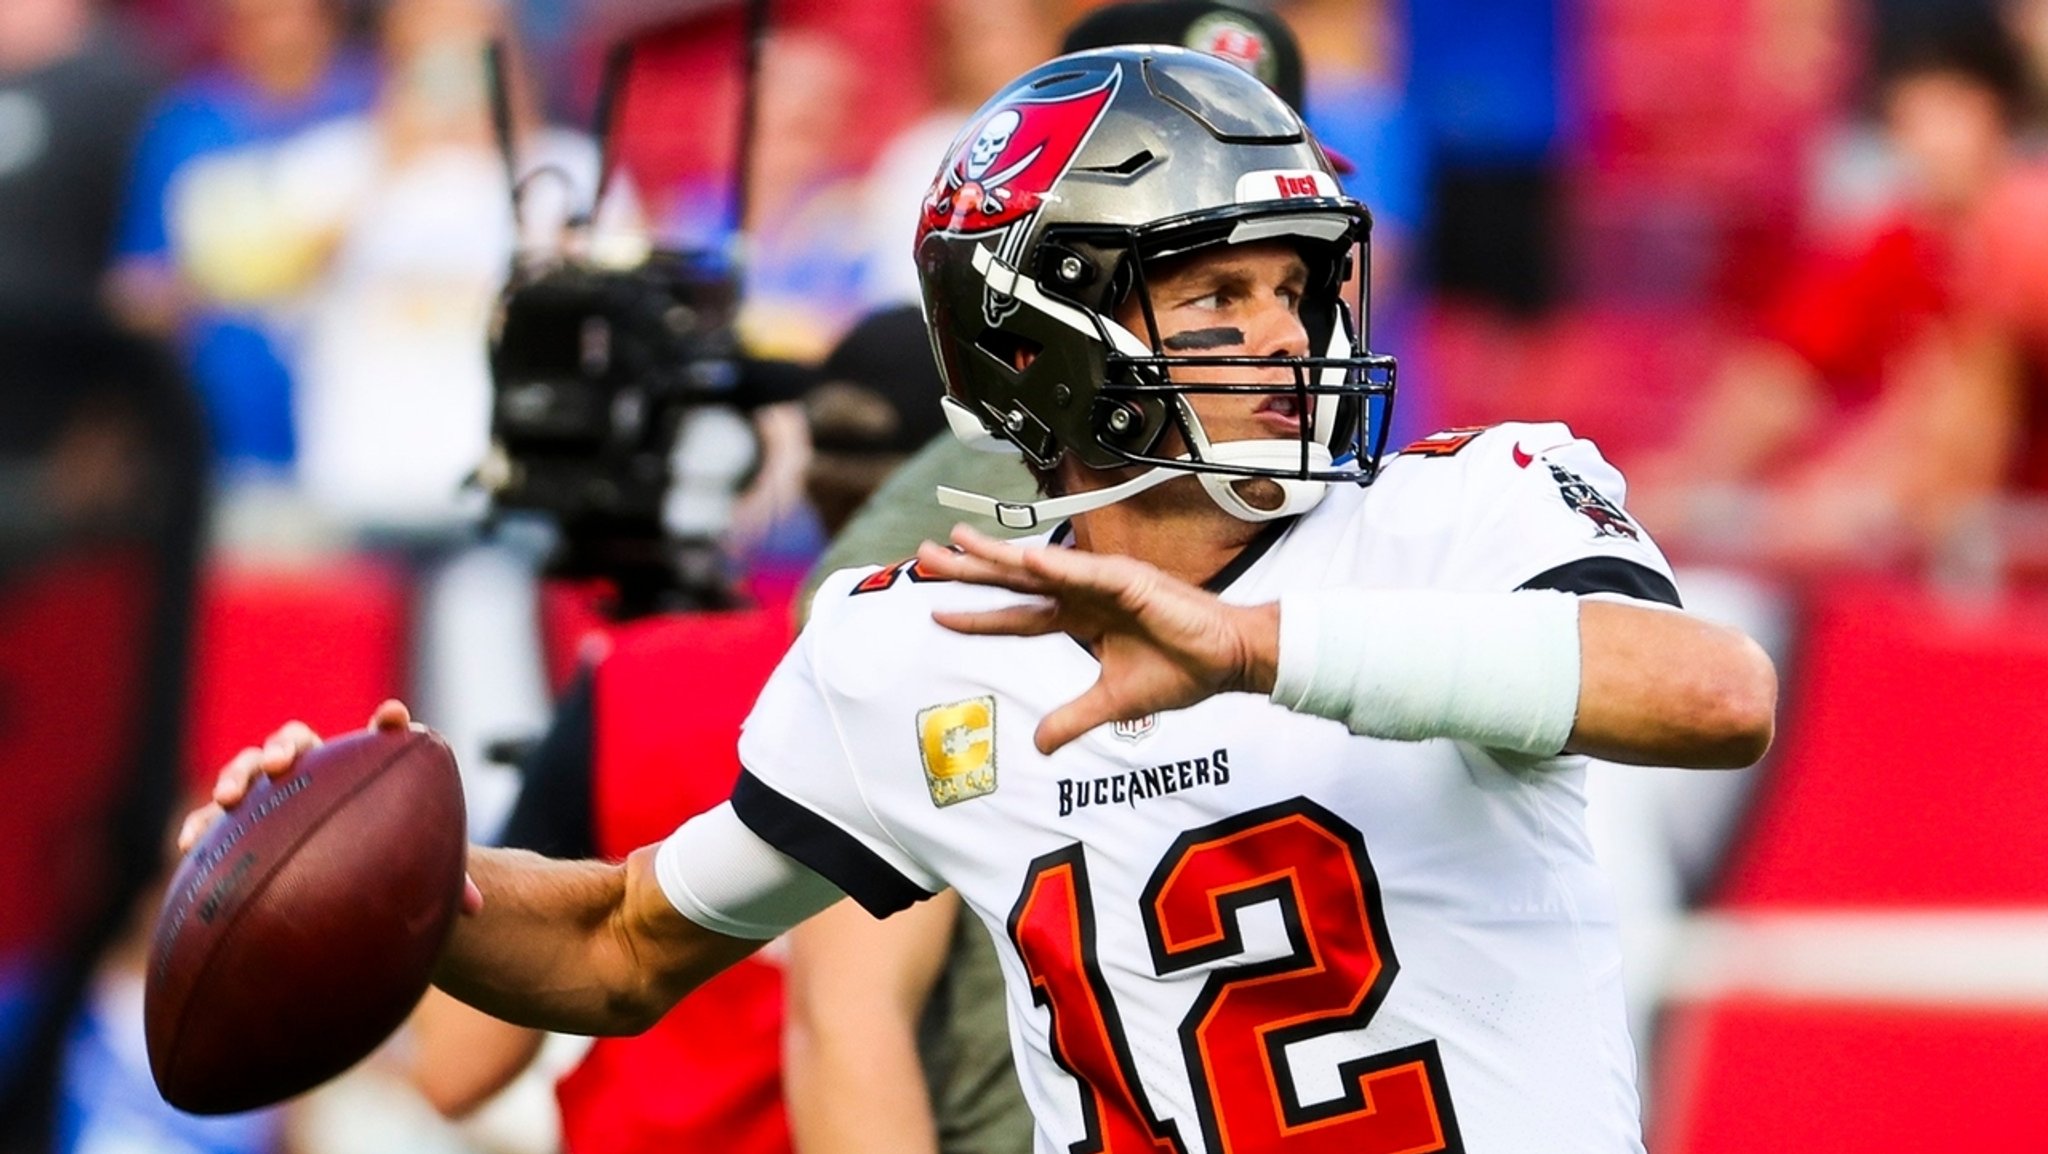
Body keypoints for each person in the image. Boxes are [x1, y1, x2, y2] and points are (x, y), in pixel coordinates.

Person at [188, 47, 1776, 1154]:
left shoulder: (1465, 504)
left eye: (1299, 285)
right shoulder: (914, 641)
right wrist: (371, 870)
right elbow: (618, 943)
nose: (1287, 335)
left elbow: (1710, 694)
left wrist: (1258, 649)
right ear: (1043, 336)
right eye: (1218, 290)